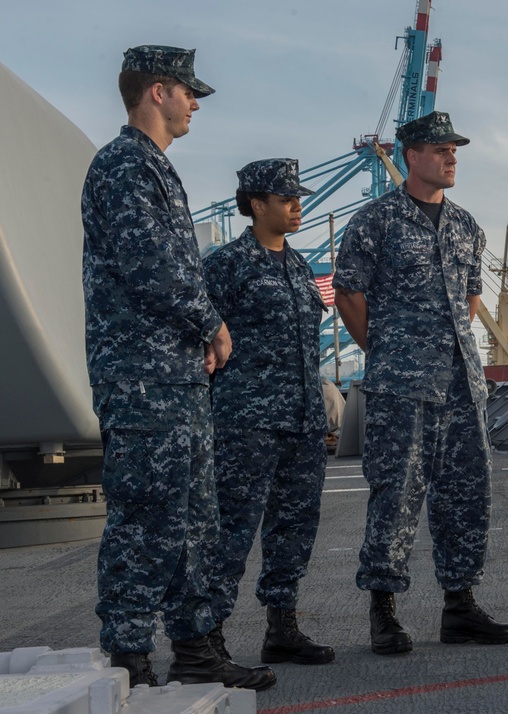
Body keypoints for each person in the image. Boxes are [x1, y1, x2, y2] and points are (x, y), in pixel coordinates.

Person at [81, 45, 273, 691]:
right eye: (189, 92)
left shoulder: (153, 168)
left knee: (193, 520)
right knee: (143, 517)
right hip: (141, 378)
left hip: (175, 377)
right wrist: (213, 323)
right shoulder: (125, 166)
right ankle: (129, 657)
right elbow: (151, 266)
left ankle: (197, 653)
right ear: (158, 91)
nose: (195, 104)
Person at [333, 111, 508, 655]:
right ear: (411, 155)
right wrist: (388, 351)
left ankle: (459, 605)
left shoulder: (465, 224)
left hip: (462, 384)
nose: (452, 156)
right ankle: (384, 611)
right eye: (441, 149)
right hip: (403, 386)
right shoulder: (376, 220)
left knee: (467, 495)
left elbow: (471, 296)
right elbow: (349, 294)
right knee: (397, 493)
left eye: (454, 149)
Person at [202, 159, 334, 667]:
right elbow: (202, 345)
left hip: (301, 422)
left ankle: (282, 628)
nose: (297, 206)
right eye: (286, 198)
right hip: (246, 421)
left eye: (297, 197)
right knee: (232, 530)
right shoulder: (226, 265)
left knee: (295, 527)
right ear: (257, 205)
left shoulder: (300, 267)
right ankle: (209, 637)